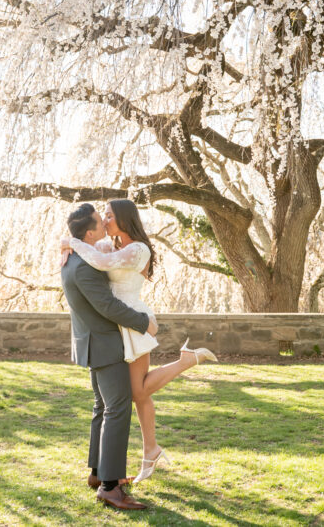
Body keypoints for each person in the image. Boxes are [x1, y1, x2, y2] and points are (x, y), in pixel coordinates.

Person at [60, 198, 217, 484]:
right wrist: (70, 243)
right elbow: (94, 249)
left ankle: (185, 362)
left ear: (123, 218)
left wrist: (72, 242)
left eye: (109, 215)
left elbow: (100, 261)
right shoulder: (114, 244)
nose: (105, 220)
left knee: (137, 390)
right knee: (138, 392)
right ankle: (150, 450)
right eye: (103, 216)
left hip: (132, 320)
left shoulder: (137, 250)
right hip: (117, 323)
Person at [60, 203, 156, 511]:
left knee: (102, 407)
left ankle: (98, 473)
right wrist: (145, 323)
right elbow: (108, 307)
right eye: (100, 223)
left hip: (93, 342)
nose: (105, 225)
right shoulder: (86, 265)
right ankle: (111, 487)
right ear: (89, 232)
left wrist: (68, 241)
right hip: (104, 343)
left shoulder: (76, 258)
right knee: (117, 409)